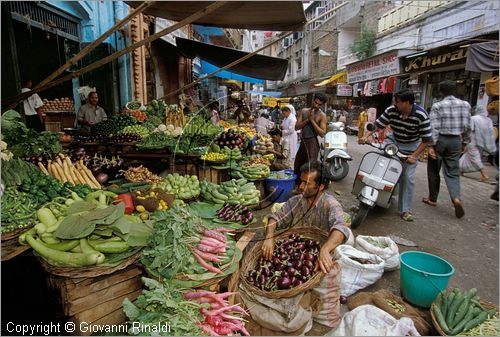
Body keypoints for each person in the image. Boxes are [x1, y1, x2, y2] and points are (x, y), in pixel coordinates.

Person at [262, 161, 350, 274]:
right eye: (301, 181)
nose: (301, 186)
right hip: (296, 252)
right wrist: (269, 236)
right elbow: (275, 217)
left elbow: (341, 228)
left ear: (320, 187)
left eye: (306, 183)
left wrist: (325, 249)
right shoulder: (295, 201)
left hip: (317, 254)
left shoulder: (330, 205)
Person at [363, 89, 432, 222]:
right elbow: (378, 125)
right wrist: (365, 136)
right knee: (380, 165)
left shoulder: (421, 115)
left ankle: (405, 209)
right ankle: (371, 197)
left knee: (407, 177)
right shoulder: (391, 110)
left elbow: (426, 140)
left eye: (398, 102)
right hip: (393, 142)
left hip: (412, 147)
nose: (395, 104)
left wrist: (414, 156)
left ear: (408, 103)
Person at [423, 80, 471, 218]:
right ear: (455, 91)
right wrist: (465, 142)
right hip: (456, 140)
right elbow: (468, 126)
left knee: (433, 170)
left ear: (441, 92)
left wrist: (431, 145)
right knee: (453, 172)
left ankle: (432, 199)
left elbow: (434, 127)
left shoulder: (438, 105)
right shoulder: (465, 105)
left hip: (441, 140)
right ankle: (456, 198)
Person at [294, 93, 328, 177]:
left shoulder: (322, 115)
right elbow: (296, 127)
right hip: (303, 141)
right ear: (313, 100)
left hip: (313, 142)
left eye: (319, 104)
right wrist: (307, 120)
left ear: (322, 105)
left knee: (309, 167)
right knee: (298, 164)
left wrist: (312, 121)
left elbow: (322, 133)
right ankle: (298, 184)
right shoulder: (304, 111)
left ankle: (308, 186)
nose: (316, 105)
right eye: (315, 102)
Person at [459, 106, 497, 182]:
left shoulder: (473, 118)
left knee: (474, 157)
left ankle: (484, 174)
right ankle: (460, 170)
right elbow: (490, 132)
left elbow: (469, 129)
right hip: (482, 142)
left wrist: (464, 140)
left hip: (472, 141)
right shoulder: (489, 120)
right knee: (467, 156)